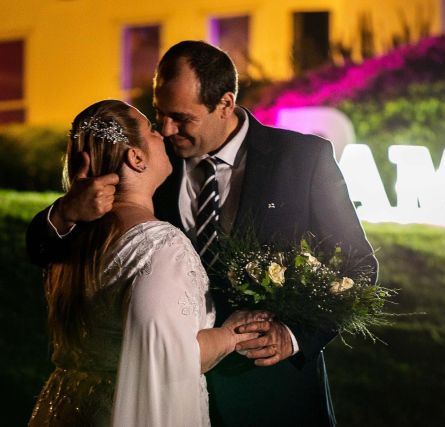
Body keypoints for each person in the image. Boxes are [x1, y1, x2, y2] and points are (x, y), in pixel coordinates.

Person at [27, 41, 378, 426]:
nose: (166, 129)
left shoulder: (302, 158)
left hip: (274, 392)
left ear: (225, 104)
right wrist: (64, 212)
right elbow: (51, 251)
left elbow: (357, 264)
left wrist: (296, 335)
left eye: (181, 118)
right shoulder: (152, 163)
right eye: (159, 115)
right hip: (171, 391)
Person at [28, 100, 266, 426]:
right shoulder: (159, 245)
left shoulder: (70, 238)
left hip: (67, 407)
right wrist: (231, 335)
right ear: (136, 158)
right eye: (152, 130)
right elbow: (169, 358)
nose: (163, 135)